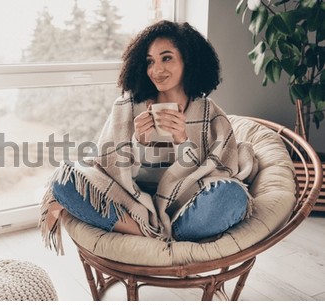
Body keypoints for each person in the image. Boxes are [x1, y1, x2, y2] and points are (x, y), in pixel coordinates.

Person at [40, 20, 253, 253]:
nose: (156, 70)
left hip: (185, 207)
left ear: (189, 60)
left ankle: (174, 230)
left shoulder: (208, 112)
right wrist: (138, 143)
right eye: (150, 61)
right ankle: (150, 234)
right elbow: (108, 168)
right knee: (62, 182)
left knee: (232, 196)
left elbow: (218, 171)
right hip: (132, 205)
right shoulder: (127, 107)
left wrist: (182, 141)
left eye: (167, 58)